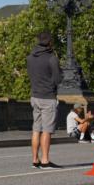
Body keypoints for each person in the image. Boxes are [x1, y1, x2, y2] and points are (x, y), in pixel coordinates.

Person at [27, 31, 62, 169]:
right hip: (48, 97)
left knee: (36, 129)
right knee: (47, 130)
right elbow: (58, 79)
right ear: (49, 42)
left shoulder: (30, 57)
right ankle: (45, 160)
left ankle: (35, 159)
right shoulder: (51, 58)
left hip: (34, 96)